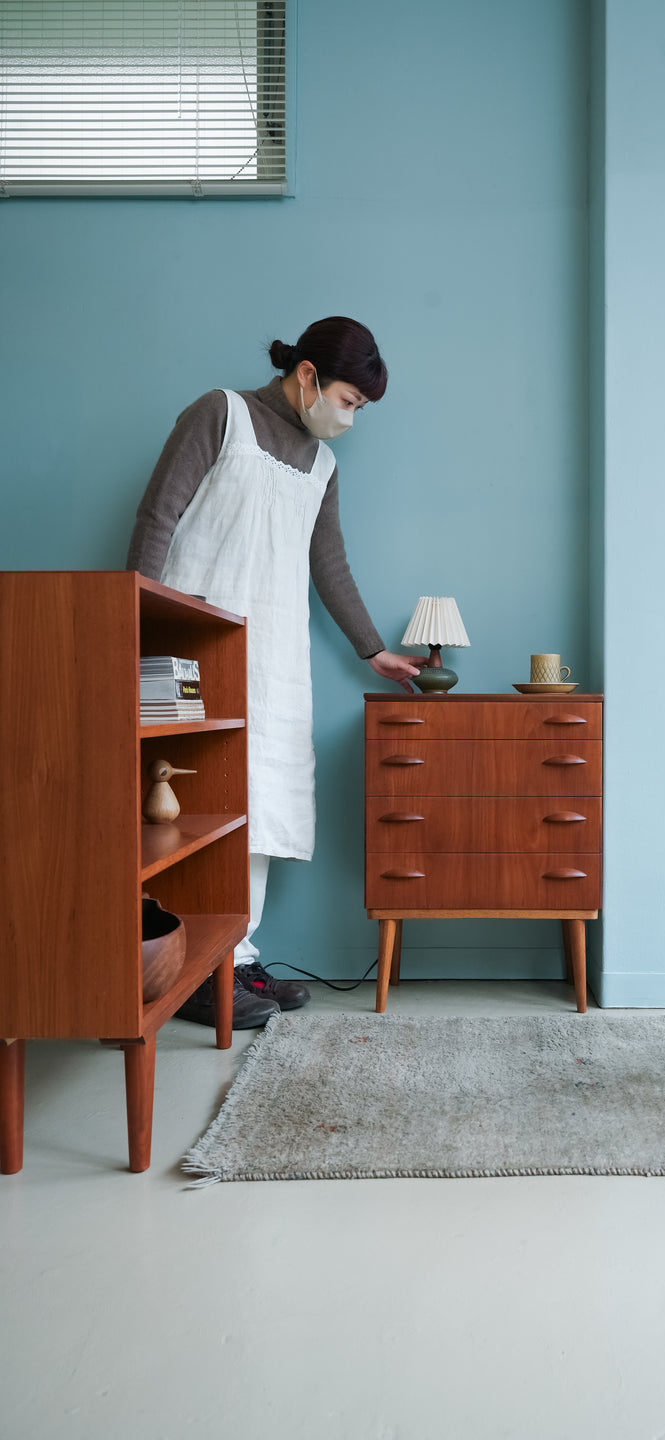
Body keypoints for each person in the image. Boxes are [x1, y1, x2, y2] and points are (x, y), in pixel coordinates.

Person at [127, 316, 422, 1027]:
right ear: (309, 375)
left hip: (273, 654)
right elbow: (158, 516)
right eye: (348, 400)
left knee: (256, 804)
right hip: (191, 641)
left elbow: (331, 566)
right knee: (192, 806)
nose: (349, 418)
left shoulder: (322, 467)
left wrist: (371, 649)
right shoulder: (219, 414)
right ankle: (196, 964)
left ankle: (237, 953)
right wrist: (126, 627)